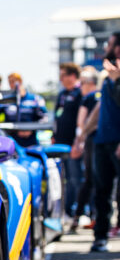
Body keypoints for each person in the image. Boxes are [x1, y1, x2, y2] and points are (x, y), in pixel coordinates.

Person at [73, 32, 120, 251]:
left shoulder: (115, 77)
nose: (107, 48)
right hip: (102, 142)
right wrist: (82, 135)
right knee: (101, 190)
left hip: (118, 143)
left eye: (110, 44)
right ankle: (100, 237)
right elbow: (101, 109)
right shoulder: (109, 76)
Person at [71, 66, 102, 230]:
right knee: (104, 181)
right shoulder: (105, 95)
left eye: (82, 83)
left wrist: (78, 141)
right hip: (107, 141)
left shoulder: (89, 98)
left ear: (90, 83)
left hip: (92, 140)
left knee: (89, 179)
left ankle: (77, 217)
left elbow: (80, 122)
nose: (80, 86)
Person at [54, 63, 84, 219]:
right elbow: (57, 117)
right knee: (62, 180)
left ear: (72, 76)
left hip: (74, 145)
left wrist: (77, 143)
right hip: (60, 144)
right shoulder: (62, 94)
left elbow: (82, 121)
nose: (61, 79)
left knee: (75, 179)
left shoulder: (80, 93)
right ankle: (65, 211)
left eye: (63, 75)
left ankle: (77, 212)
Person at [0, 72, 48, 147]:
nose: (11, 85)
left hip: (31, 142)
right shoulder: (6, 101)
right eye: (10, 82)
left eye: (13, 81)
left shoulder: (35, 99)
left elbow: (44, 118)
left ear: (20, 81)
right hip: (12, 142)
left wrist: (30, 130)